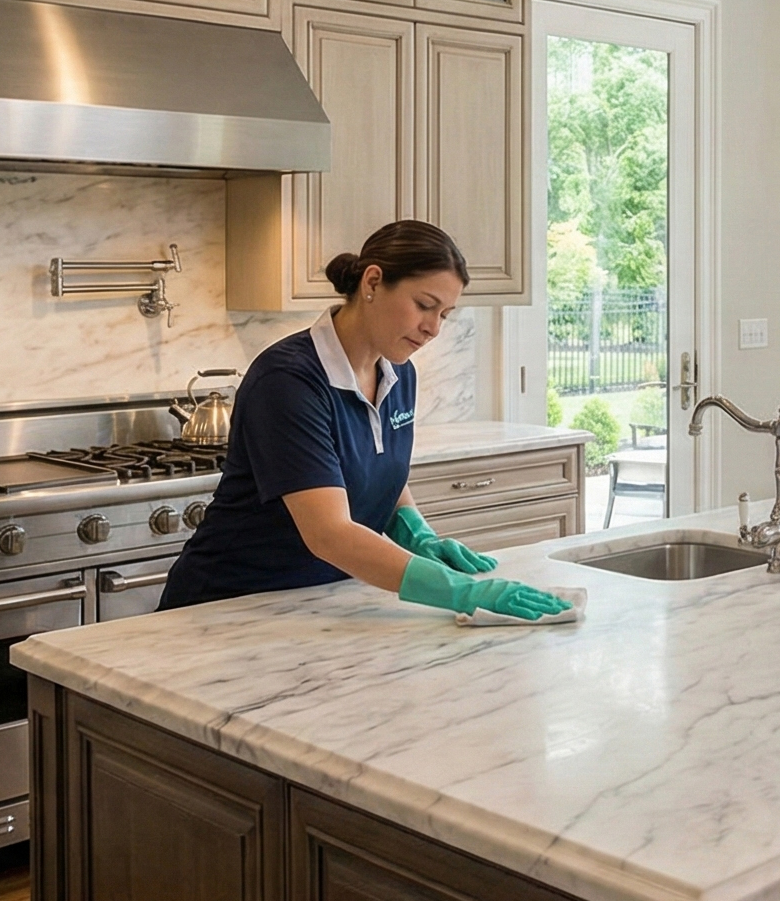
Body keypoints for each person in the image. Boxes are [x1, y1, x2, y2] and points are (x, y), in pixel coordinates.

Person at [159, 220, 569, 622]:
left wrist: (417, 533)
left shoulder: (397, 371)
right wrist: (459, 591)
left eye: (445, 314)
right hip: (226, 610)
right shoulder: (289, 380)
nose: (433, 329)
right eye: (425, 306)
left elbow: (378, 468)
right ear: (372, 283)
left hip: (315, 605)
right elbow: (329, 533)